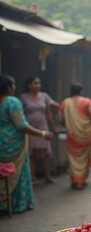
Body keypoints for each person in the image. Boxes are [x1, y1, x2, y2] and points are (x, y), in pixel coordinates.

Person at [0, 75, 52, 213]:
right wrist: (42, 133)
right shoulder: (12, 101)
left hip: (2, 145)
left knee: (4, 173)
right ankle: (18, 204)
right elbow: (22, 125)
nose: (15, 88)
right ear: (9, 87)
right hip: (14, 144)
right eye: (13, 85)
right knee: (18, 172)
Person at [58, 83, 91, 190]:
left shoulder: (65, 103)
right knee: (84, 158)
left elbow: (60, 120)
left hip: (72, 134)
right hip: (86, 134)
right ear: (81, 91)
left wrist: (71, 123)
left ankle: (75, 181)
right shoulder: (87, 101)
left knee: (73, 158)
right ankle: (81, 181)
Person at [20, 76, 59, 185]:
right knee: (31, 153)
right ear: (29, 85)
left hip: (43, 127)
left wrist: (54, 128)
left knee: (45, 153)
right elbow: (20, 113)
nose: (38, 85)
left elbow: (49, 113)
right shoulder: (23, 97)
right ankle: (32, 177)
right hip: (30, 128)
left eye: (39, 83)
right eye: (35, 83)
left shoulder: (44, 96)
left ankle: (47, 176)